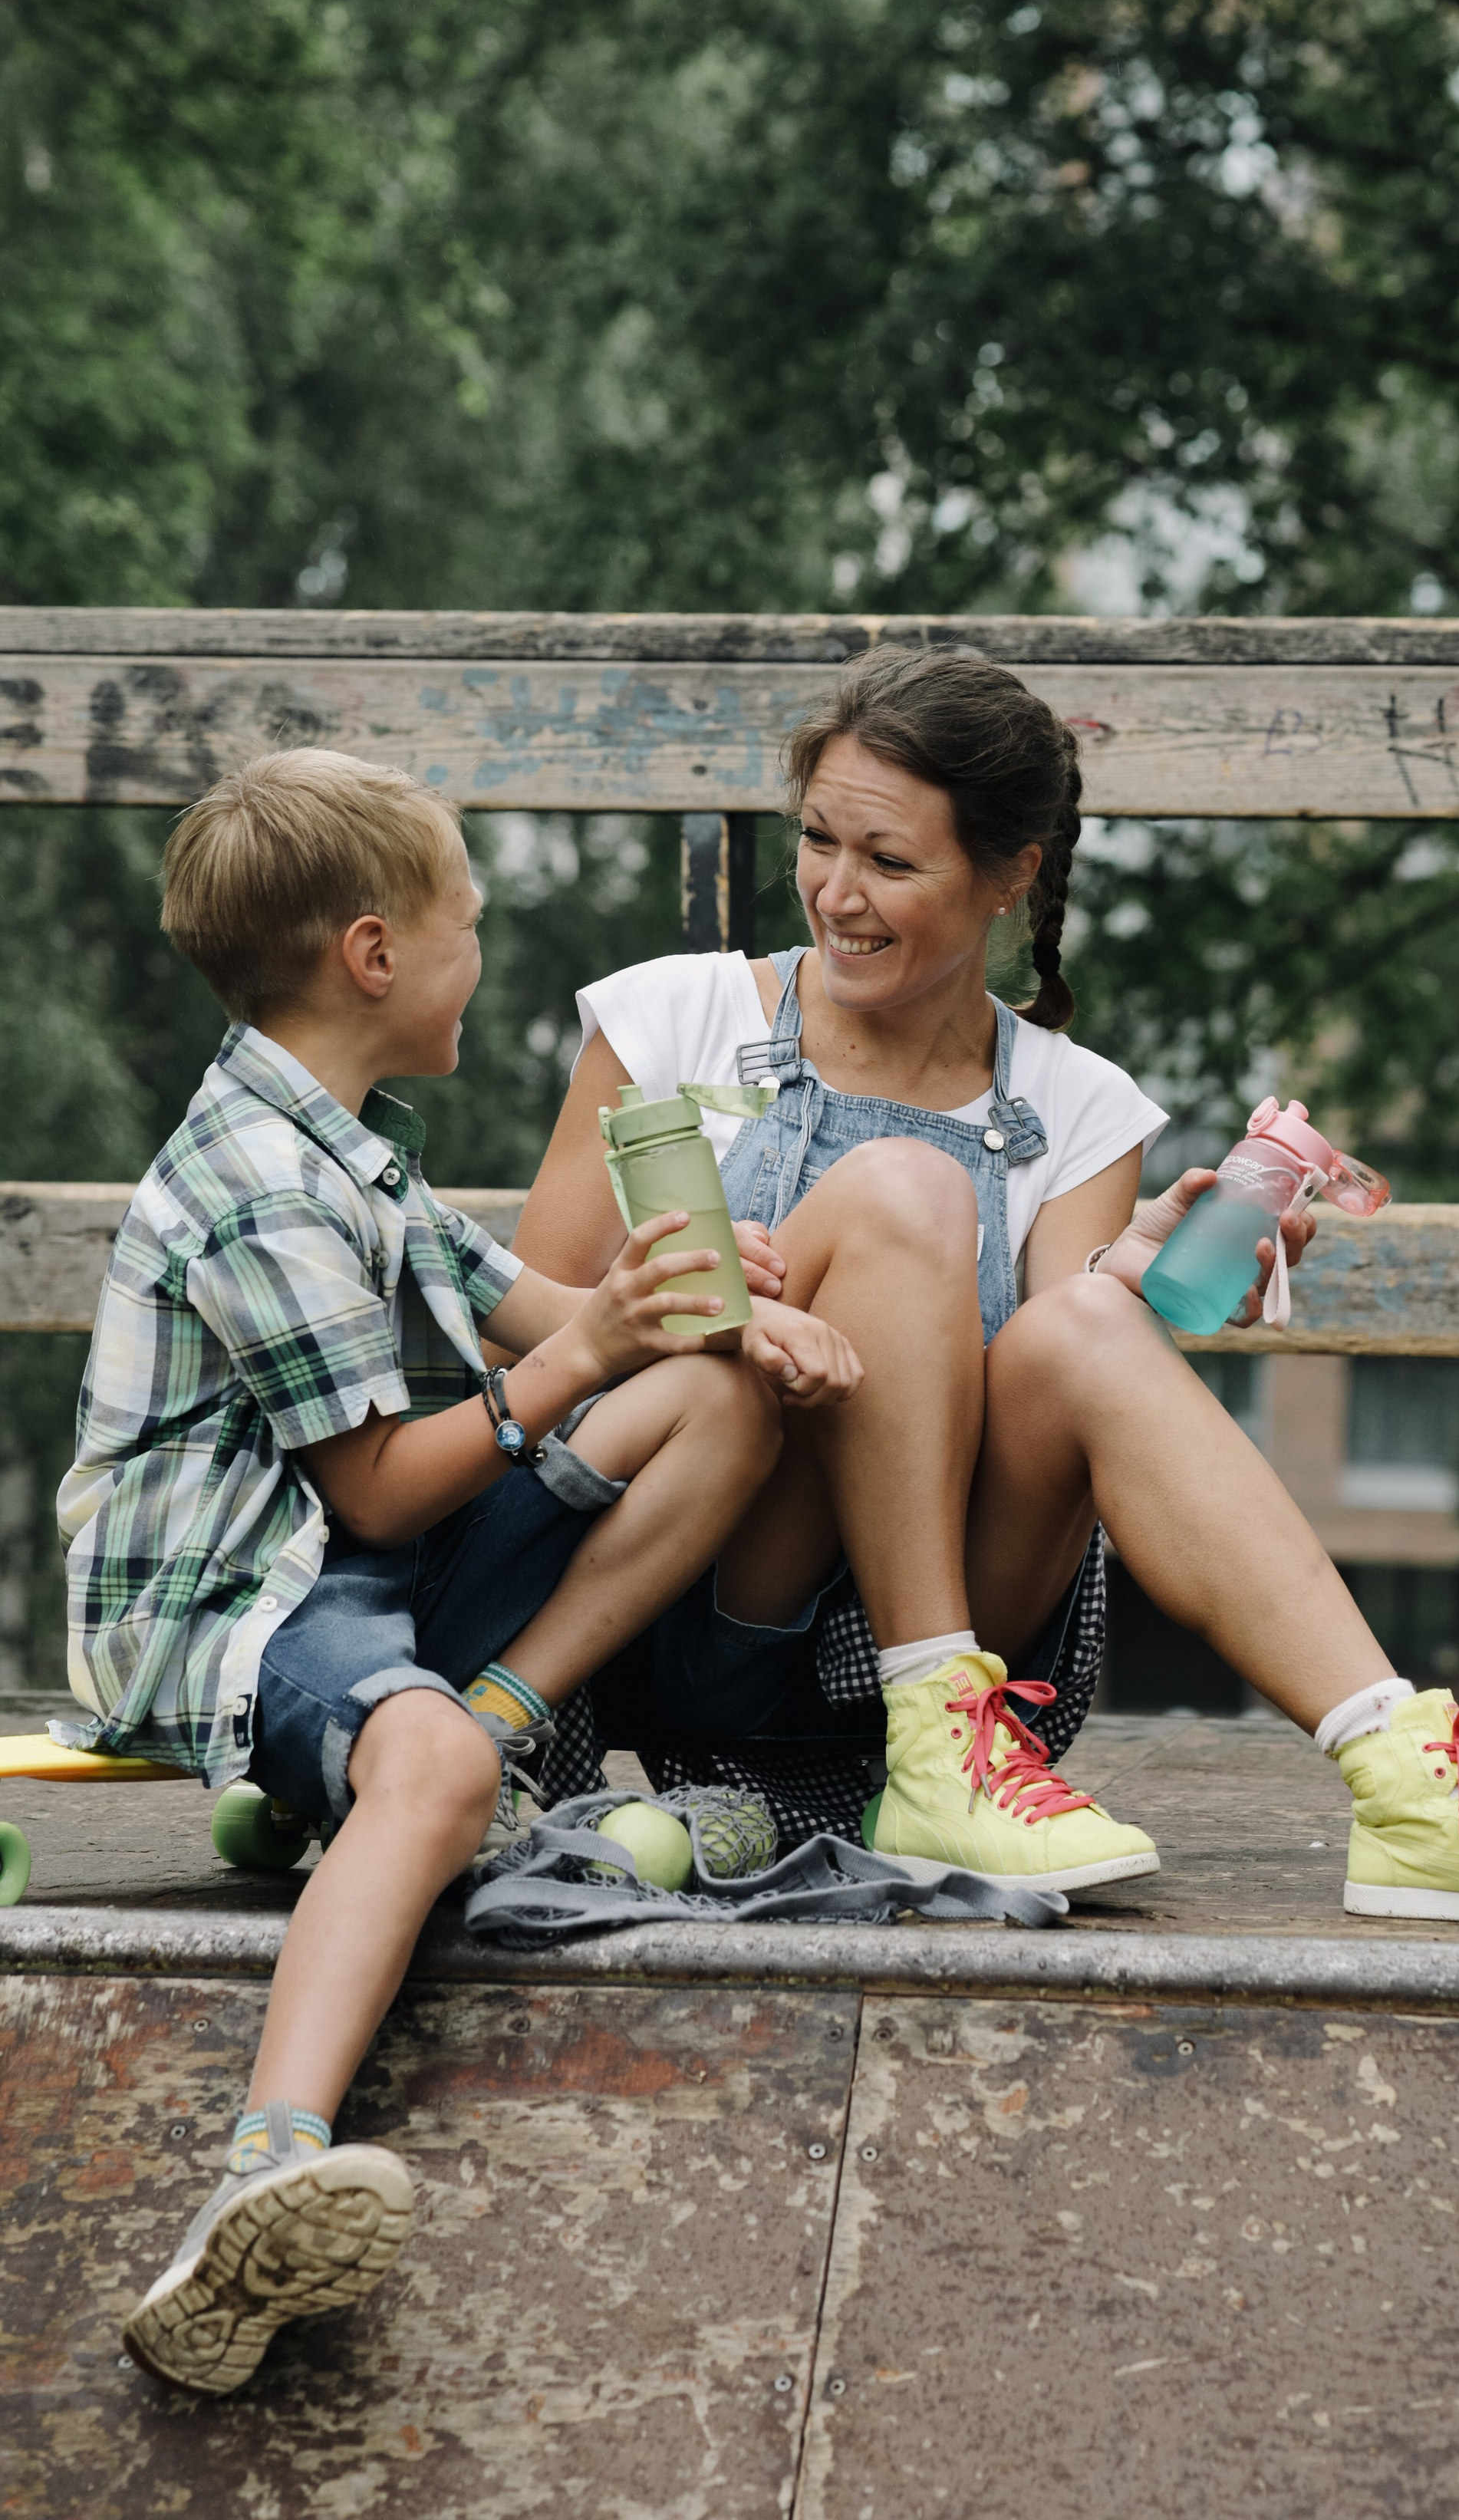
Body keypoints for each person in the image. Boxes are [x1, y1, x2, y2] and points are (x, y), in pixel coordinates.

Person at [517, 647, 1459, 1932]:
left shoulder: (1076, 1106)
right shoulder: (671, 1019)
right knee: (905, 1191)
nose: (836, 894)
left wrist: (1123, 1280)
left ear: (1010, 876)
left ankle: (1407, 1780)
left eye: (890, 862)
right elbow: (533, 1353)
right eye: (818, 841)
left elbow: (1031, 1399)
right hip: (676, 1596)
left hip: (910, 1660)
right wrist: (687, 1313)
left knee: (1084, 1321)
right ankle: (945, 1743)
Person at [58, 749, 859, 2396]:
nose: (480, 956)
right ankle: (260, 2172)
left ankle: (476, 1734)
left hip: (352, 1573)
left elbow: (539, 1314)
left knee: (716, 1404)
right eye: (467, 923)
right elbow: (378, 1487)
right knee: (420, 1766)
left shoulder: (355, 1151)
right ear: (374, 954)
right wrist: (588, 1357)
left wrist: (706, 1313)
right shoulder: (255, 1184)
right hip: (228, 1603)